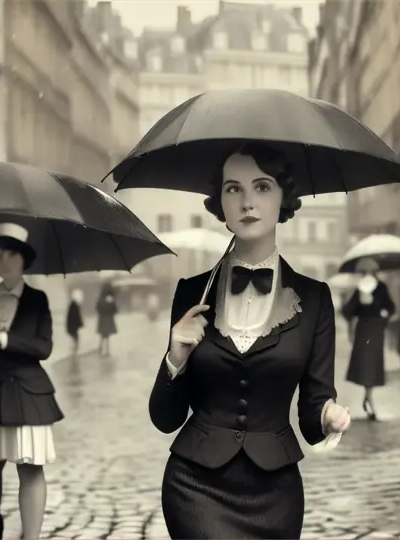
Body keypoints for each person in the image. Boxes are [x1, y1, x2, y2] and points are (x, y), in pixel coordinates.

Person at [148, 142, 351, 539]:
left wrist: (327, 415)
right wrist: (175, 357)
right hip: (194, 487)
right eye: (233, 189)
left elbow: (311, 413)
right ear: (219, 202)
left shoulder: (314, 298)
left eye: (262, 187)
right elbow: (165, 418)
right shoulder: (193, 293)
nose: (247, 202)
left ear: (283, 198)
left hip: (276, 494)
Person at [0, 223, 63, 540]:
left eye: (10, 254)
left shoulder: (37, 299)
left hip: (27, 390)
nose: (2, 261)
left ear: (23, 260)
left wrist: (3, 338)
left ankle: (30, 537)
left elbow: (43, 347)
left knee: (30, 466)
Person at [343, 257, 396, 421]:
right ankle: (369, 398)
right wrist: (359, 305)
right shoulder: (359, 289)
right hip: (364, 330)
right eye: (364, 273)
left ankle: (368, 397)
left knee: (372, 364)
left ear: (375, 273)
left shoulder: (381, 288)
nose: (367, 275)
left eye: (370, 272)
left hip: (375, 329)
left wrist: (382, 311)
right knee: (366, 364)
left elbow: (391, 307)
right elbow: (347, 311)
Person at [96, 285, 118, 357]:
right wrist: (110, 304)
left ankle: (103, 350)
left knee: (104, 336)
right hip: (107, 320)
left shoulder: (100, 300)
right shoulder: (107, 301)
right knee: (105, 336)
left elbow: (98, 309)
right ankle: (104, 350)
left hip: (103, 320)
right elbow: (115, 311)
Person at [66, 289, 84, 358]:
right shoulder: (75, 306)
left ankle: (73, 351)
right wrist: (80, 323)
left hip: (72, 326)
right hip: (73, 326)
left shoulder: (72, 305)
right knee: (76, 338)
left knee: (75, 338)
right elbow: (76, 317)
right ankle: (74, 352)